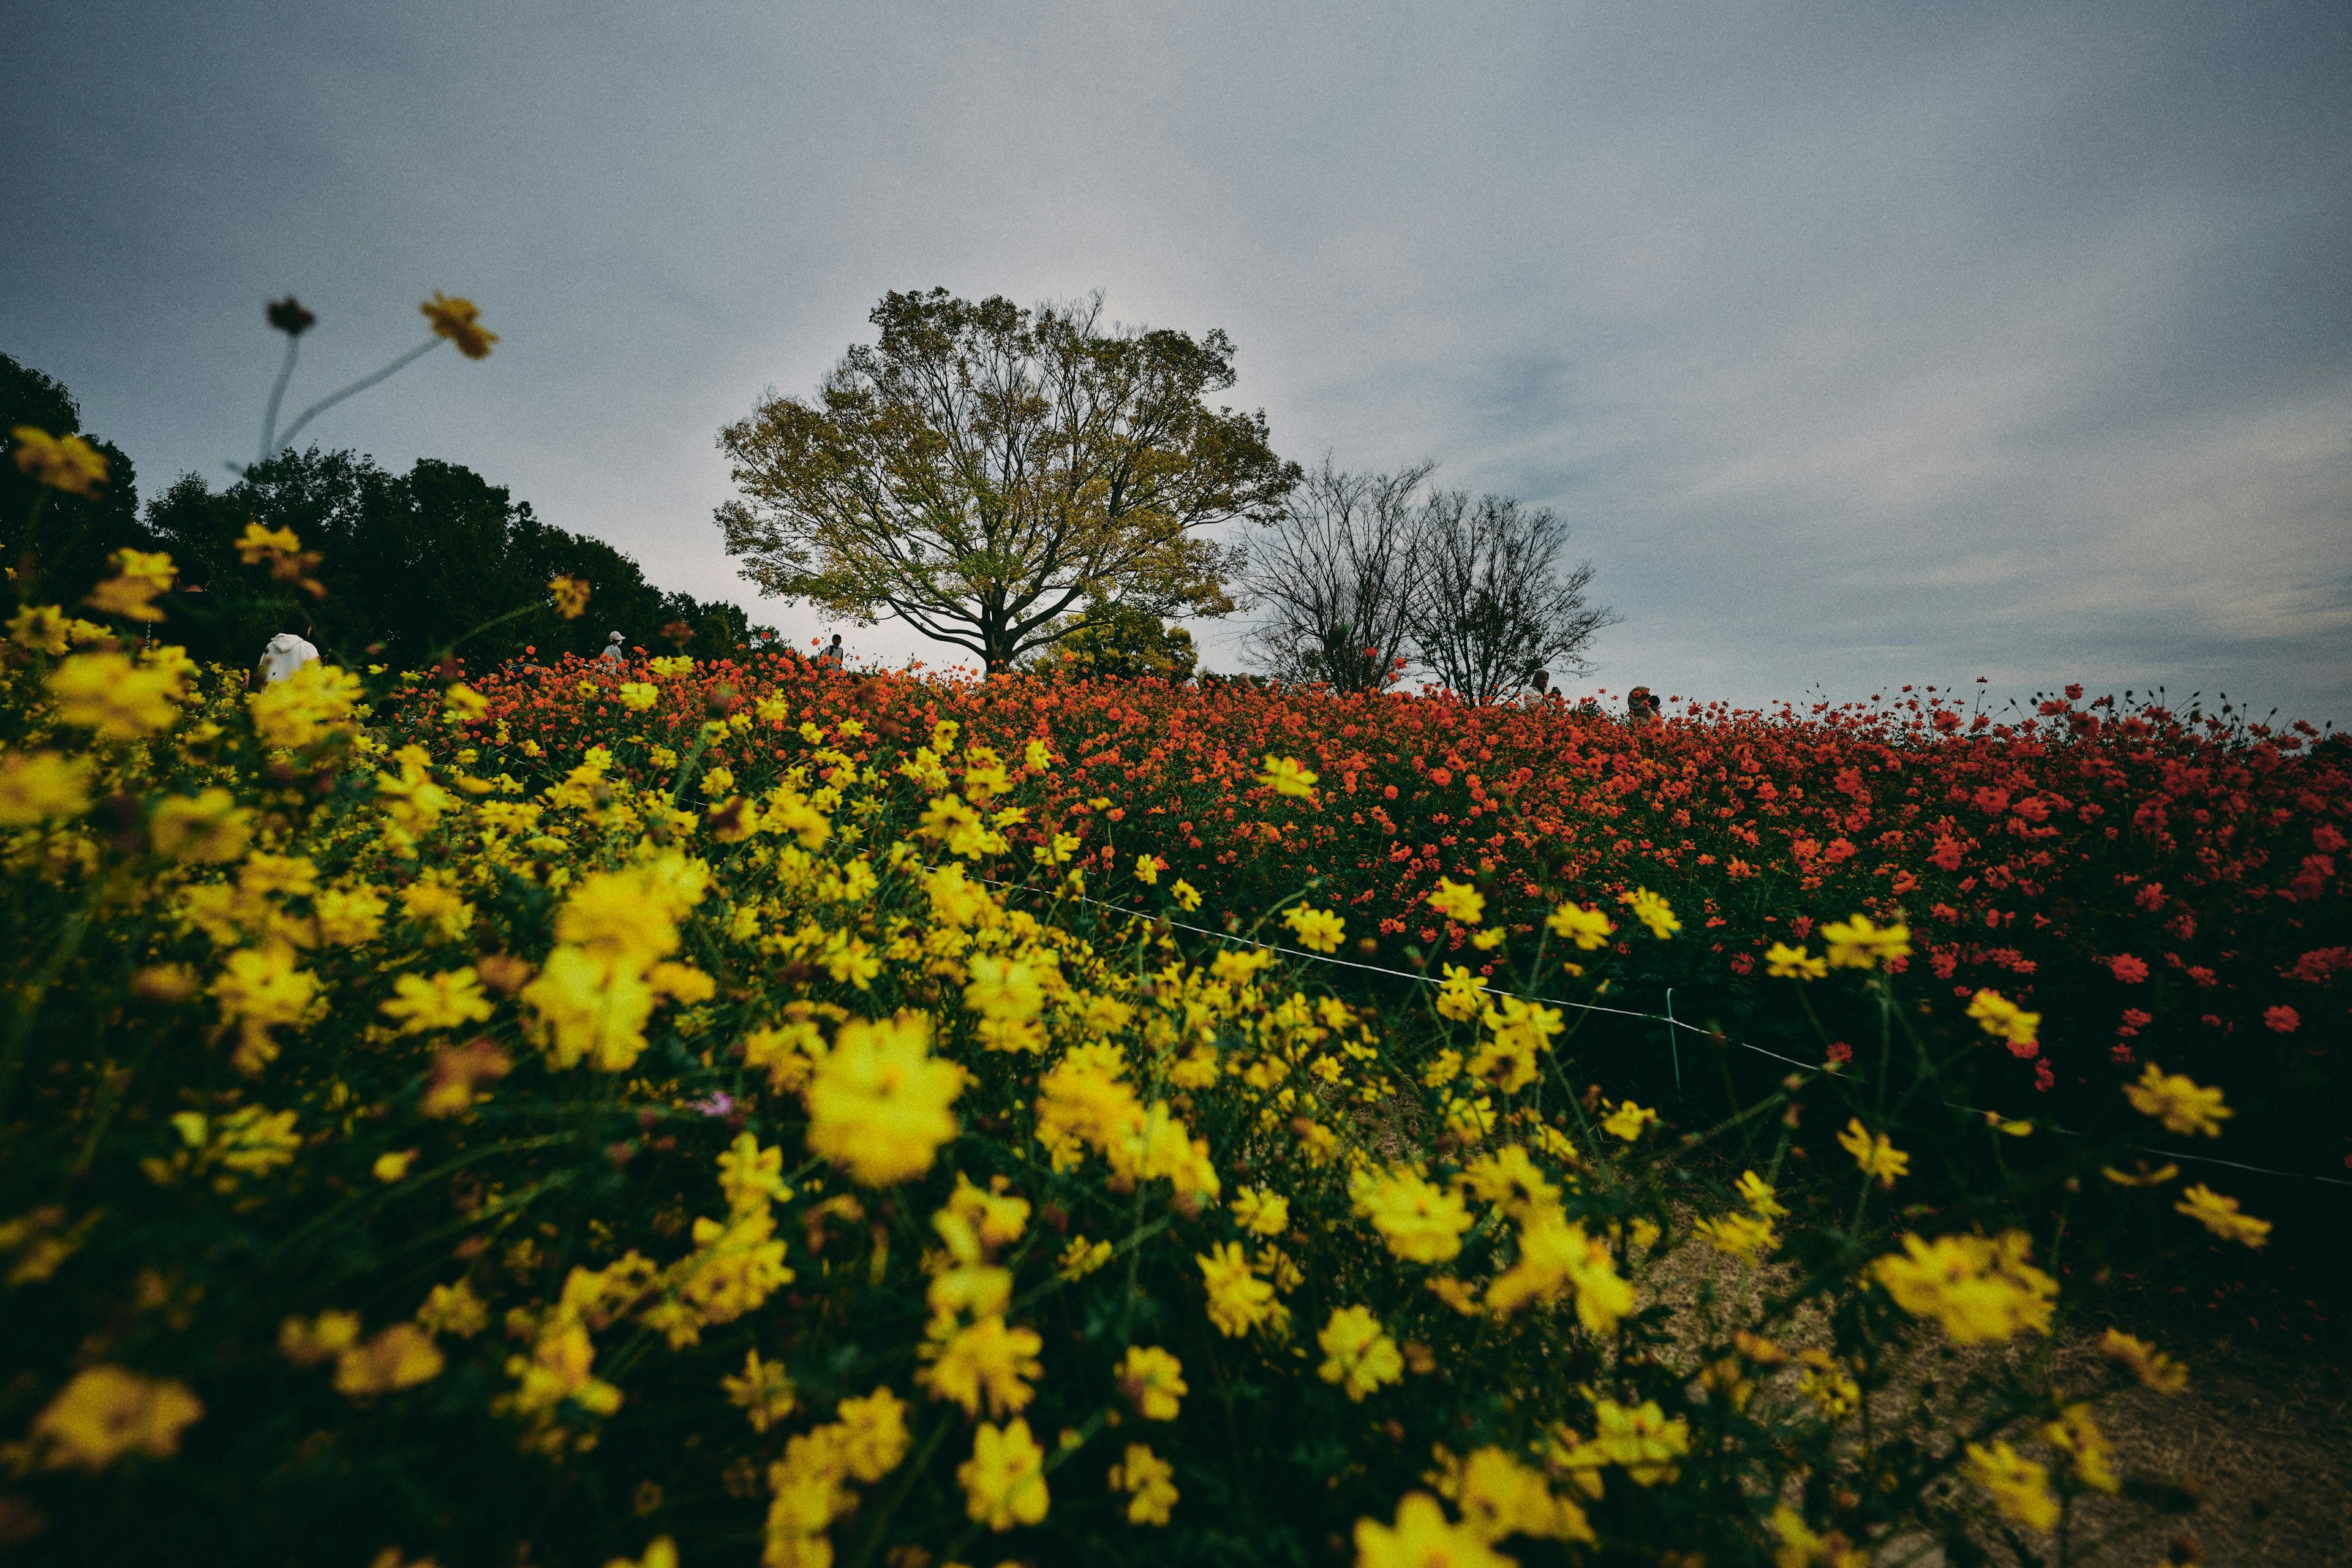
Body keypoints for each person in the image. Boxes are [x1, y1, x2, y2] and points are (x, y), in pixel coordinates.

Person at [254, 624, 320, 688]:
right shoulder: (308, 648)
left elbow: (261, 672)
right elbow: (316, 676)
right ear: (304, 629)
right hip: (297, 696)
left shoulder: (271, 646)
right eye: (309, 629)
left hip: (270, 695)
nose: (309, 632)